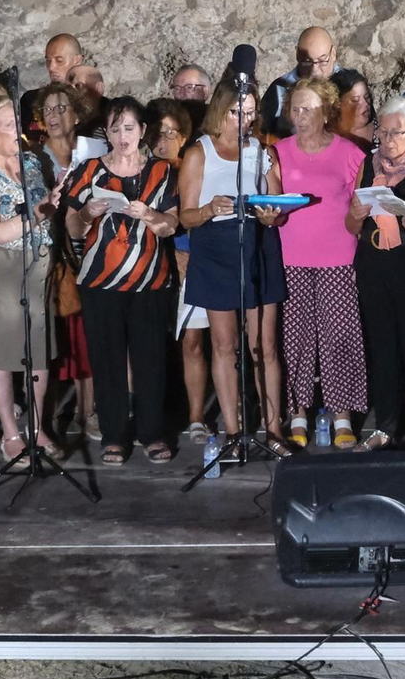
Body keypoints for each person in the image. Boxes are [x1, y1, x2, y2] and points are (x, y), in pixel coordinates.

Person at [61, 97, 181, 464]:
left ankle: (152, 432)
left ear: (143, 131)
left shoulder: (163, 172)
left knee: (150, 359)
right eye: (115, 129)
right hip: (101, 281)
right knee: (107, 359)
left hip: (150, 280)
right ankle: (114, 435)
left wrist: (150, 215)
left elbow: (171, 225)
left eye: (129, 127)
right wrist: (85, 211)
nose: (122, 136)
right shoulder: (90, 170)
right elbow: (72, 226)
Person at [179, 79, 289, 450]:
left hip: (258, 243)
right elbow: (186, 216)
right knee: (224, 345)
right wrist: (209, 209)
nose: (244, 119)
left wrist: (273, 215)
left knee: (265, 345)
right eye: (236, 112)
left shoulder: (262, 150)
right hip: (216, 246)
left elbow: (278, 200)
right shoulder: (199, 153)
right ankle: (232, 430)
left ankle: (273, 430)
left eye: (249, 112)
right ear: (220, 110)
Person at [0, 95, 63, 460]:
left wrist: (55, 196)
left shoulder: (32, 161)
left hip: (36, 266)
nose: (15, 129)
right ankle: (9, 432)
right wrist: (35, 215)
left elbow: (43, 206)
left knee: (37, 353)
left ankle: (37, 427)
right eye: (6, 124)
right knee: (2, 354)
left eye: (15, 121)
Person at [274, 77, 370, 448]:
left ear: (327, 111)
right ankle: (297, 414)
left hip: (338, 257)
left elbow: (359, 205)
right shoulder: (278, 151)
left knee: (339, 337)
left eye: (309, 108)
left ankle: (341, 413)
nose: (300, 116)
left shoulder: (350, 152)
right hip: (291, 257)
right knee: (295, 338)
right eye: (295, 108)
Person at [346, 96, 405, 449]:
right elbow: (350, 224)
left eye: (395, 133)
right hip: (373, 262)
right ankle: (384, 426)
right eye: (382, 132)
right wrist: (356, 212)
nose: (386, 140)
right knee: (382, 345)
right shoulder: (369, 165)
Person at [35, 81, 108, 436]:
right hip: (48, 255)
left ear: (77, 114)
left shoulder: (93, 156)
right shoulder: (35, 158)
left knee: (86, 336)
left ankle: (87, 411)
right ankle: (43, 418)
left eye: (61, 108)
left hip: (88, 254)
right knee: (47, 340)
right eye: (47, 109)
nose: (53, 116)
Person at [146, 98, 212, 438]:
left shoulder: (192, 167)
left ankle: (197, 416)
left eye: (171, 132)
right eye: (157, 132)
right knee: (153, 344)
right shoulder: (141, 172)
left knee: (193, 341)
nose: (163, 140)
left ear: (184, 136)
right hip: (151, 265)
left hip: (194, 264)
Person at [261, 26, 342, 138]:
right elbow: (262, 136)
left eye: (322, 61)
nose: (314, 70)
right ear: (297, 55)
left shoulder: (351, 87)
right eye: (307, 62)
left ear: (333, 53)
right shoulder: (279, 89)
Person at [20, 33, 86, 140]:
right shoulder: (30, 100)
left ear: (77, 60)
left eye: (59, 61)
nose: (51, 67)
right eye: (48, 60)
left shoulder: (97, 107)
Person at [332, 67, 376, 149]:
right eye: (355, 100)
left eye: (367, 97)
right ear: (338, 105)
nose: (365, 104)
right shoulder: (328, 139)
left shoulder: (384, 130)